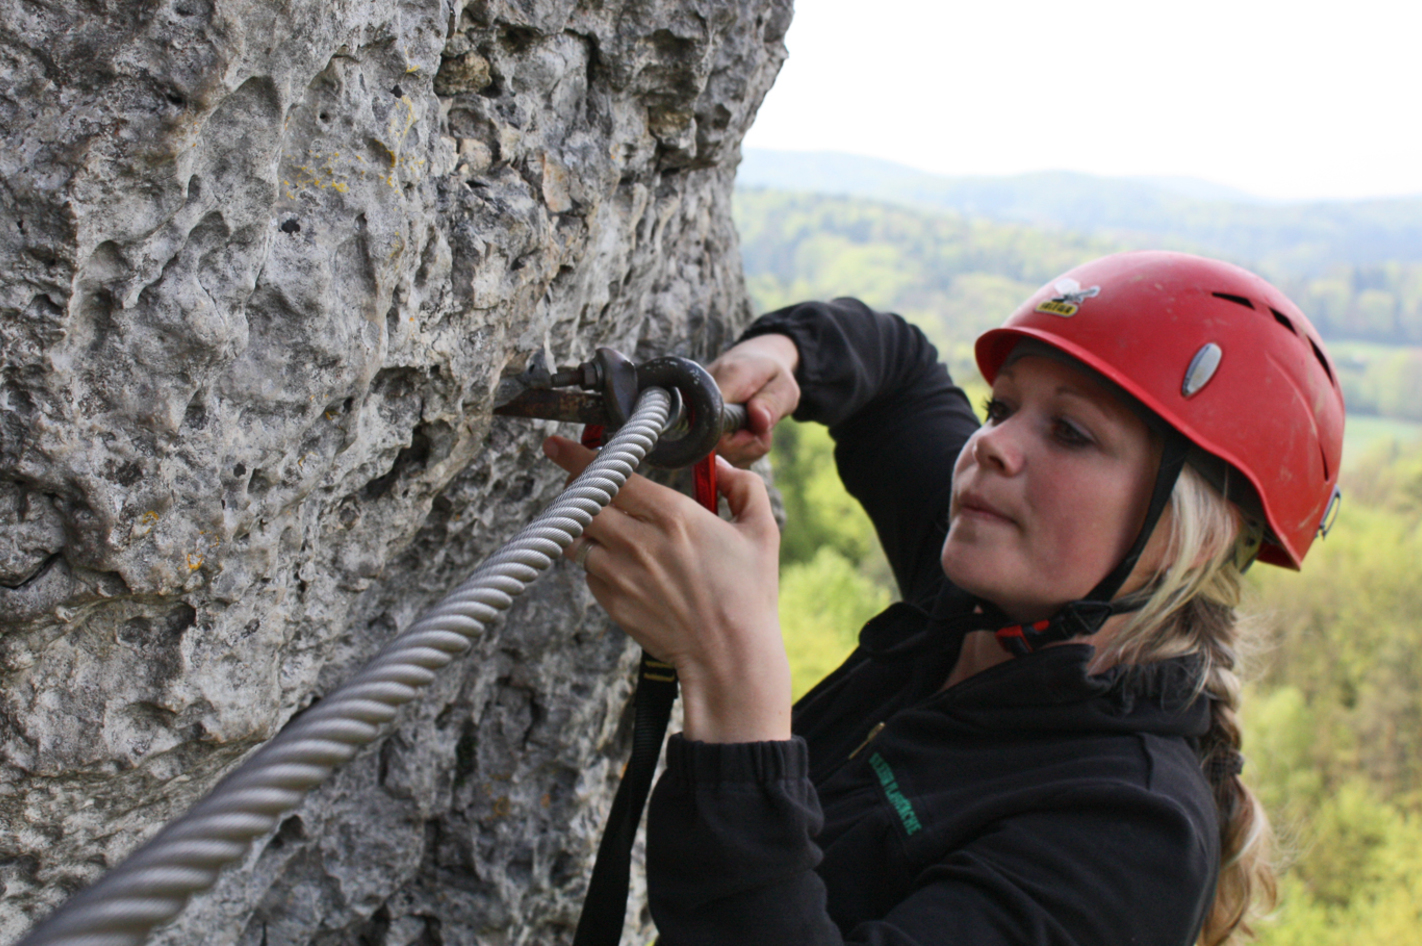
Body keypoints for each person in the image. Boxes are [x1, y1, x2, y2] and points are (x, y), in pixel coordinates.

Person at [542, 251, 1345, 945]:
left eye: (1070, 433)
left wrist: (731, 670)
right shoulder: (974, 599)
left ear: (1189, 535)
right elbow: (896, 372)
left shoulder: (1129, 839)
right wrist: (783, 358)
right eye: (1002, 406)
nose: (991, 444)